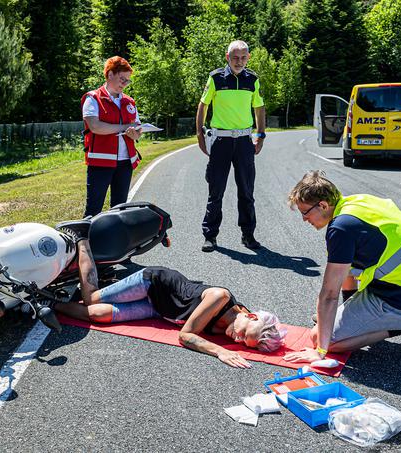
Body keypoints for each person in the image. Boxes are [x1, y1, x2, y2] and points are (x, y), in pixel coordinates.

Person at [53, 221, 285, 369]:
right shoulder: (219, 297)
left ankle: (47, 303)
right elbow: (186, 336)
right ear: (250, 315)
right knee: (92, 298)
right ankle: (81, 235)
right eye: (243, 333)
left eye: (244, 342)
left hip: (159, 309)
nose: (237, 339)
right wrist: (220, 351)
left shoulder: (235, 326)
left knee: (97, 314)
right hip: (153, 284)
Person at [283, 170, 401, 365]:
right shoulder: (357, 203)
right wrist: (347, 311)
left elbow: (329, 294)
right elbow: (347, 269)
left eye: (305, 212)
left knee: (320, 337)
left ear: (323, 205)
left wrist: (320, 351)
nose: (304, 219)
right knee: (329, 316)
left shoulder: (341, 229)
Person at [196, 40, 267, 253]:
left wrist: (261, 135)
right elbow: (203, 105)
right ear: (228, 57)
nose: (239, 61)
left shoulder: (252, 79)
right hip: (221, 142)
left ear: (248, 57)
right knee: (216, 190)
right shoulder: (216, 77)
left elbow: (259, 107)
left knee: (247, 191)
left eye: (243, 57)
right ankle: (210, 236)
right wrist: (200, 133)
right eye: (235, 57)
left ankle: (248, 235)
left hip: (244, 142)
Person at [81, 56, 143, 218]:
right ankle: (86, 242)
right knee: (93, 210)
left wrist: (135, 133)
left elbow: (137, 131)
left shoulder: (130, 102)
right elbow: (95, 127)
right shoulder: (93, 98)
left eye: (127, 81)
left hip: (125, 163)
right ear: (109, 75)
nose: (125, 83)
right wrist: (124, 127)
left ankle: (115, 242)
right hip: (100, 162)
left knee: (120, 209)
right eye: (122, 79)